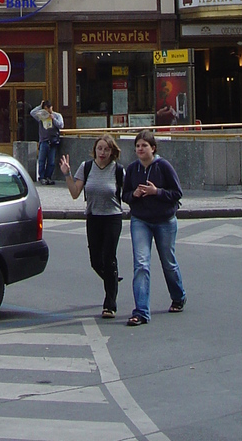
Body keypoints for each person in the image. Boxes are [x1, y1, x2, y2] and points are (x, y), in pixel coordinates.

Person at [121, 129, 185, 325]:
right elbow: (125, 195)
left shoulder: (163, 166)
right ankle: (141, 311)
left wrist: (156, 191)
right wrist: (135, 195)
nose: (140, 149)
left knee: (169, 263)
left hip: (165, 221)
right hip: (140, 220)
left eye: (144, 146)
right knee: (141, 264)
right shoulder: (132, 169)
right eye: (138, 146)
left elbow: (177, 193)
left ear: (153, 148)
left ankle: (178, 296)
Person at [60, 136, 125, 318]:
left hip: (112, 218)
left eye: (106, 149)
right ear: (94, 150)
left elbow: (127, 193)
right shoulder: (86, 167)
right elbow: (75, 193)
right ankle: (112, 280)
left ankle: (109, 304)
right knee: (96, 261)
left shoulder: (118, 170)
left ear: (112, 152)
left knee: (109, 257)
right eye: (100, 149)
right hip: (93, 218)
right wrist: (67, 174)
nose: (102, 153)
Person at [31, 100, 63, 185]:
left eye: (48, 108)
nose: (47, 110)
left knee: (51, 161)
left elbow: (61, 125)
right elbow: (32, 113)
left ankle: (48, 176)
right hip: (44, 140)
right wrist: (39, 106)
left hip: (53, 141)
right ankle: (42, 177)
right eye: (45, 109)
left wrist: (54, 119)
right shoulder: (41, 116)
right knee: (41, 160)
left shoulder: (57, 115)